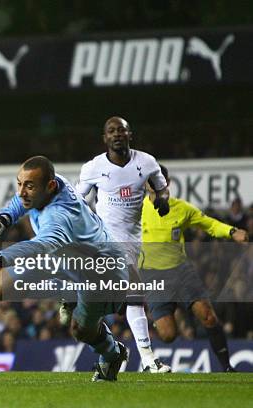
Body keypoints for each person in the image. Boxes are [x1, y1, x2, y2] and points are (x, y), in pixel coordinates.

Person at [0, 156, 129, 382]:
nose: (21, 192)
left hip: (101, 272)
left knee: (78, 329)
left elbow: (39, 246)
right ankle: (69, 294)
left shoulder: (58, 216)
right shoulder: (52, 183)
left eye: (29, 186)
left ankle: (112, 353)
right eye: (19, 184)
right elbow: (21, 201)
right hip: (66, 259)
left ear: (48, 187)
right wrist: (4, 218)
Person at [74, 116, 171, 373]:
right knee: (135, 296)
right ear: (104, 138)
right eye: (111, 131)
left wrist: (162, 199)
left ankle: (110, 356)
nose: (117, 134)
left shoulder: (147, 162)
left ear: (130, 135)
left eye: (122, 130)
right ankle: (149, 360)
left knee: (105, 308)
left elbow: (161, 188)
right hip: (104, 240)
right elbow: (77, 198)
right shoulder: (93, 167)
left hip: (133, 242)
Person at [141, 164, 248, 372]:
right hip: (154, 277)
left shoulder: (182, 208)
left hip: (181, 272)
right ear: (145, 184)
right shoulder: (136, 210)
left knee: (208, 316)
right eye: (151, 180)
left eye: (159, 180)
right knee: (168, 335)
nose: (155, 184)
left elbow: (209, 224)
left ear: (167, 183)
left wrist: (232, 231)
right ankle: (166, 312)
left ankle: (227, 367)